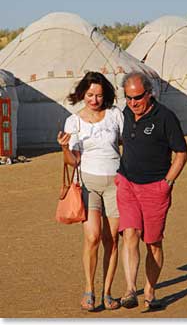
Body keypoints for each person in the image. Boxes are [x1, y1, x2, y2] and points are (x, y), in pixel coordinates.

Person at [115, 71, 187, 311]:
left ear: (149, 93)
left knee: (153, 242)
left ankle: (150, 291)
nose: (133, 103)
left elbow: (181, 153)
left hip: (155, 188)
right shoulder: (125, 112)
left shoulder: (166, 117)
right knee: (130, 233)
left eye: (137, 97)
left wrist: (167, 183)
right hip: (127, 183)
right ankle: (129, 290)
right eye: (128, 98)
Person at [57, 71, 123, 311]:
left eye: (99, 95)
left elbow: (127, 143)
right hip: (88, 183)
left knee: (112, 239)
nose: (94, 100)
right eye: (90, 95)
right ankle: (89, 290)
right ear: (82, 93)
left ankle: (107, 292)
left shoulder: (115, 115)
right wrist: (64, 148)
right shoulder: (73, 121)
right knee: (93, 236)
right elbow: (72, 161)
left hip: (116, 183)